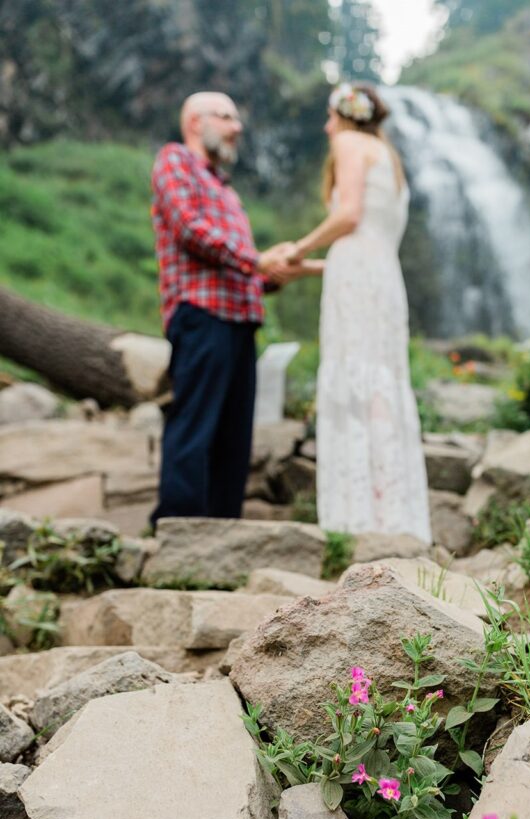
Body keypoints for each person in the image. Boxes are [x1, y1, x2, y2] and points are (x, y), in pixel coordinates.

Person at [149, 91, 312, 525]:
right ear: (193, 122)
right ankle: (179, 527)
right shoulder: (175, 160)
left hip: (241, 320)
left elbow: (242, 268)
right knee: (195, 422)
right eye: (225, 117)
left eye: (236, 119)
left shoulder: (227, 191)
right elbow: (190, 229)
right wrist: (257, 260)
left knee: (233, 434)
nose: (236, 127)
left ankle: (223, 529)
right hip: (201, 314)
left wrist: (274, 275)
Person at [286, 82, 432, 544]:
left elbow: (348, 216)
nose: (327, 126)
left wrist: (298, 248)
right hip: (383, 273)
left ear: (346, 116)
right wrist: (312, 265)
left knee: (355, 371)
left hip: (356, 272)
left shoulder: (349, 143)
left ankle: (355, 519)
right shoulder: (390, 158)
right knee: (381, 377)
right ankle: (393, 512)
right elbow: (370, 231)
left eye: (330, 116)